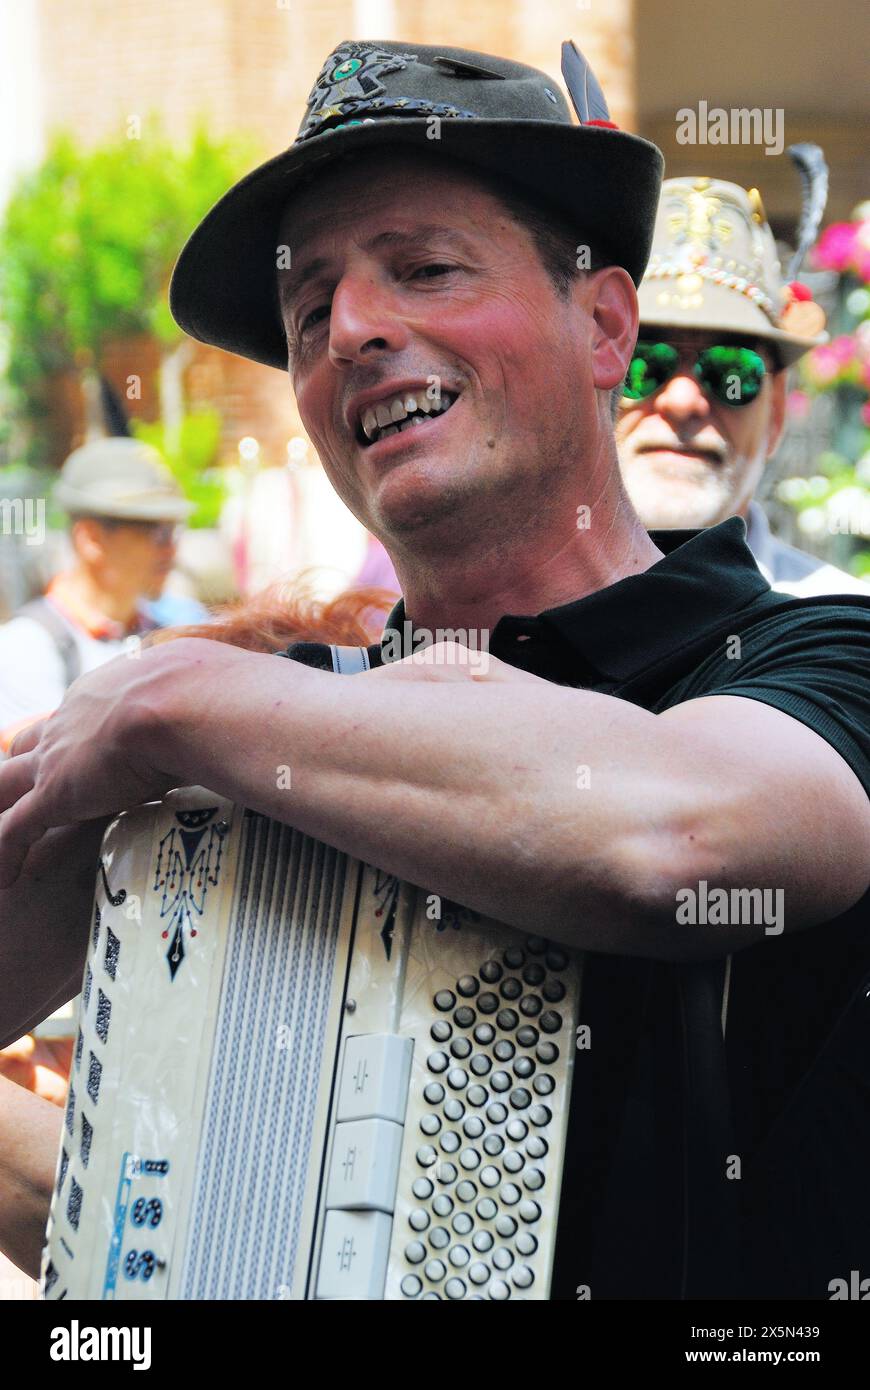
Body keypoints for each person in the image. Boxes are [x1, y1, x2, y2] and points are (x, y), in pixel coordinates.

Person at [0, 39, 867, 1302]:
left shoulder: (814, 651)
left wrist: (172, 697)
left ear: (605, 324)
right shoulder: (264, 714)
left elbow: (685, 840)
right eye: (311, 312)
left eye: (425, 268)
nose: (351, 329)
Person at [616, 175, 869, 597]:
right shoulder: (491, 613)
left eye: (731, 373)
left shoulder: (849, 628)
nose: (682, 401)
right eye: (642, 363)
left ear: (777, 412)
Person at [0, 436, 202, 751]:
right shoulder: (26, 646)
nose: (171, 548)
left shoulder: (165, 630)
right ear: (91, 539)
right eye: (157, 531)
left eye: (175, 529)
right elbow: (48, 764)